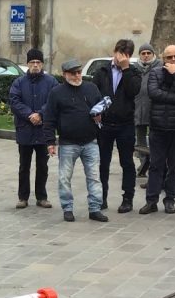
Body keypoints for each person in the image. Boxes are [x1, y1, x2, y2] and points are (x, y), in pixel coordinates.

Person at [42, 59, 107, 223]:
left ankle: (95, 208)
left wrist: (100, 116)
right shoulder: (56, 92)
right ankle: (68, 208)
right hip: (68, 143)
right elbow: (49, 118)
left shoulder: (91, 88)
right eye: (73, 73)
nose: (77, 75)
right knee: (65, 178)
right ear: (65, 75)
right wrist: (50, 142)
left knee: (94, 177)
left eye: (79, 72)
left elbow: (101, 108)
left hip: (90, 142)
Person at [141, 45, 175, 215]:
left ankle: (170, 200)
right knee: (156, 165)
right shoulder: (156, 73)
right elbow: (154, 93)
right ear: (163, 59)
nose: (173, 60)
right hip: (158, 126)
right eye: (169, 57)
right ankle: (151, 200)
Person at [94, 39, 143, 214]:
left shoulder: (134, 72)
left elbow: (133, 91)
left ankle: (127, 198)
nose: (121, 57)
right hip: (105, 123)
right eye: (119, 52)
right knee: (103, 162)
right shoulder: (102, 71)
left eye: (126, 54)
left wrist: (126, 68)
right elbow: (95, 93)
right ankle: (101, 197)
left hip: (125, 124)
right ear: (114, 51)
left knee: (127, 162)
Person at [8, 48, 57, 209]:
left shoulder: (50, 82)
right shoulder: (19, 83)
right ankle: (23, 197)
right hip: (25, 129)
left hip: (43, 131)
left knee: (43, 166)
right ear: (27, 64)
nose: (35, 65)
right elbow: (14, 101)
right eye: (32, 62)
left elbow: (54, 101)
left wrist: (41, 114)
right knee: (24, 166)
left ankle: (42, 197)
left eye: (38, 62)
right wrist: (30, 114)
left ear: (42, 64)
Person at [134, 43, 157, 148]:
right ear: (140, 55)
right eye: (143, 53)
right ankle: (143, 162)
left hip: (154, 108)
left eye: (149, 53)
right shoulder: (135, 68)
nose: (146, 55)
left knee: (155, 138)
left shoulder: (160, 66)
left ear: (153, 54)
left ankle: (154, 162)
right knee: (140, 141)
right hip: (138, 107)